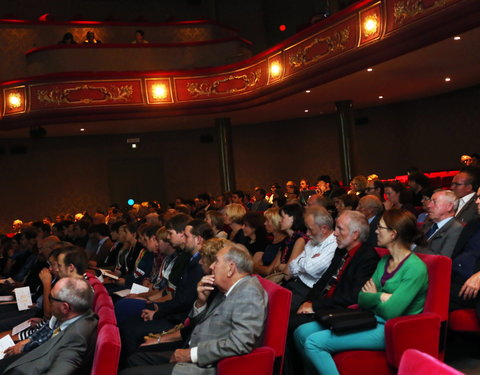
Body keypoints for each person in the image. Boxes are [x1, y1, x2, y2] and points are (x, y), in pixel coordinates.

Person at [294, 209, 428, 375]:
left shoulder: (415, 268)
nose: (376, 231)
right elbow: (362, 297)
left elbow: (391, 312)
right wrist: (382, 297)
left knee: (314, 342)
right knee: (301, 332)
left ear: (393, 234)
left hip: (392, 329)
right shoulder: (385, 260)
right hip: (370, 317)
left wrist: (374, 296)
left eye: (380, 227)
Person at [119, 241, 268, 375]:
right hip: (194, 350)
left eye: (216, 262)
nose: (211, 266)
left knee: (130, 372)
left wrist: (191, 354)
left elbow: (241, 343)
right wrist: (201, 302)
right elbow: (198, 324)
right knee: (135, 359)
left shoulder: (249, 292)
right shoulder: (228, 289)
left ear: (230, 268)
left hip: (206, 366)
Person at [1, 277, 97, 375]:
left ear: (65, 307)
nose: (48, 301)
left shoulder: (77, 337)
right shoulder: (79, 314)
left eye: (50, 298)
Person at [284, 206, 337, 312]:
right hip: (295, 284)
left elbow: (311, 269)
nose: (307, 233)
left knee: (276, 309)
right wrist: (305, 261)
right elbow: (292, 267)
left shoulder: (334, 244)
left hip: (308, 293)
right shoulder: (313, 240)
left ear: (324, 229)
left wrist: (302, 261)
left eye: (310, 229)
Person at [416, 190, 463, 257]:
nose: (429, 205)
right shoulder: (428, 225)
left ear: (449, 206)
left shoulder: (455, 229)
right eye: (430, 201)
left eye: (434, 202)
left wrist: (413, 248)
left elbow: (442, 259)